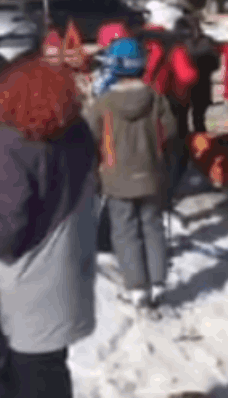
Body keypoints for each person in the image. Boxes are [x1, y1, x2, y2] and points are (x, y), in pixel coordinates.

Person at [0, 56, 99, 398]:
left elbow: (6, 226)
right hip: (69, 273)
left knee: (29, 376)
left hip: (29, 285)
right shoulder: (77, 133)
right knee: (49, 368)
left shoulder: (8, 145)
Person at [88, 38, 178, 309]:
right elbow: (171, 132)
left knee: (125, 231)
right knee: (153, 228)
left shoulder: (104, 104)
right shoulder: (156, 100)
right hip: (151, 174)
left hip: (116, 178)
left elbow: (89, 137)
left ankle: (137, 287)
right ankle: (158, 281)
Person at [174, 16, 220, 134]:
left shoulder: (206, 41)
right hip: (186, 86)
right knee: (183, 119)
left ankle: (199, 146)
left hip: (201, 84)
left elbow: (215, 64)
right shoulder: (181, 42)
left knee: (198, 118)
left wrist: (201, 64)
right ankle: (186, 146)